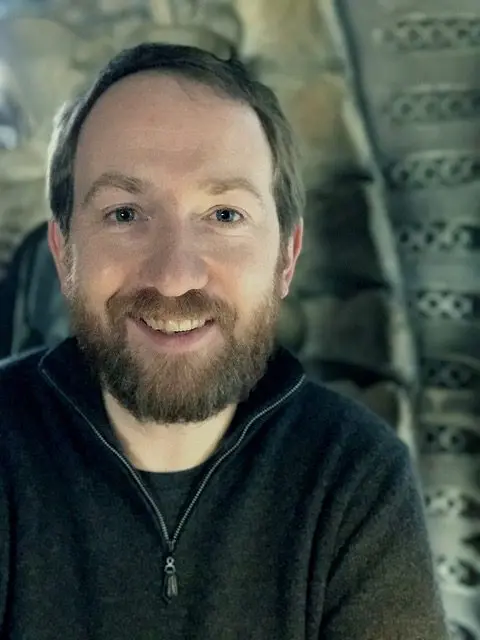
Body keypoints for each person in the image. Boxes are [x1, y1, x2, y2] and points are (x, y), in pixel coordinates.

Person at [0, 43, 448, 640]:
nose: (174, 276)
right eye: (125, 214)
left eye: (225, 215)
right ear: (64, 255)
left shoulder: (355, 475)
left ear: (286, 257)